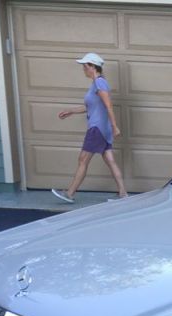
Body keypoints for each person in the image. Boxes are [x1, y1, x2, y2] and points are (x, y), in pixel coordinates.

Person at [51, 52, 128, 203]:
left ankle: (70, 193)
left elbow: (108, 106)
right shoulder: (97, 83)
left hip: (97, 129)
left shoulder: (99, 83)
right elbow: (91, 106)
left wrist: (115, 126)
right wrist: (71, 111)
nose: (83, 69)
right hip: (102, 129)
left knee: (83, 159)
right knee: (110, 160)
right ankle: (123, 193)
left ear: (93, 66)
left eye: (85, 66)